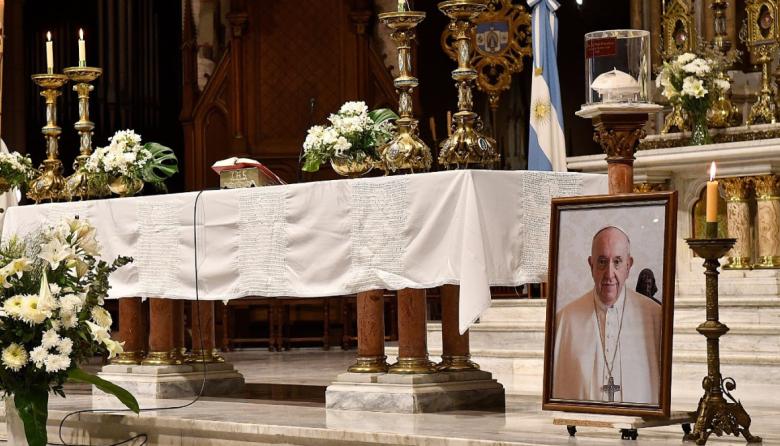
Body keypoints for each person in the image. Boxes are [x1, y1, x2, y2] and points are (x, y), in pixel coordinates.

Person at [553, 226, 662, 404]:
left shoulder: (655, 317)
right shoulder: (565, 320)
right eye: (602, 261)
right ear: (591, 265)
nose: (609, 274)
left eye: (617, 261)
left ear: (629, 265)